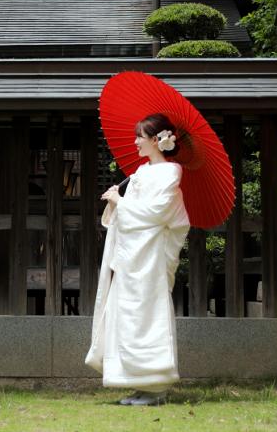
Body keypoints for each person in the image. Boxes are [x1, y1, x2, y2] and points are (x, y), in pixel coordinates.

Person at [85, 113, 191, 406]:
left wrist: (123, 202)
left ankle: (156, 386)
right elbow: (132, 213)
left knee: (147, 314)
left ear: (157, 140)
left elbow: (156, 214)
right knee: (126, 314)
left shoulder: (171, 173)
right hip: (130, 254)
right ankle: (138, 383)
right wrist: (116, 202)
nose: (135, 142)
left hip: (150, 256)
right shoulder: (141, 173)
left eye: (140, 137)